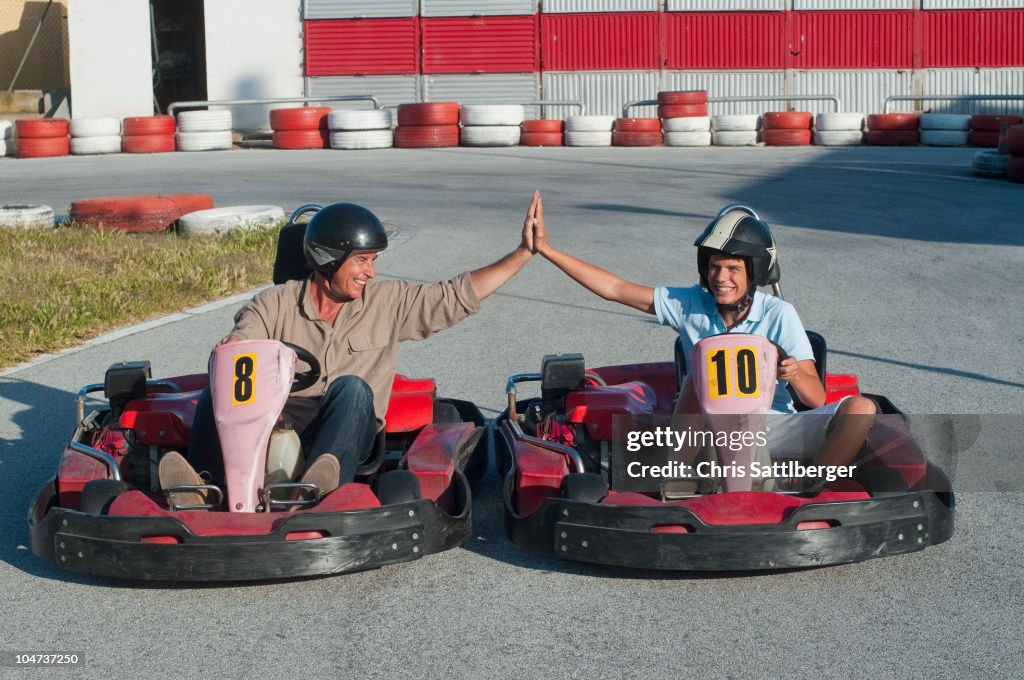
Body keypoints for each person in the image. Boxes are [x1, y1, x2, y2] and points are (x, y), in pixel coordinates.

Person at [160, 193, 543, 506]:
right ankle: (203, 488)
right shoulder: (273, 304)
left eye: (373, 261)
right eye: (362, 260)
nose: (371, 272)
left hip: (346, 434)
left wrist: (522, 253)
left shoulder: (388, 303)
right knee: (220, 384)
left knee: (352, 387)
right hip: (271, 431)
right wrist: (233, 347)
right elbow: (244, 339)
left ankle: (320, 487)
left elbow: (456, 296)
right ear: (328, 259)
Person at [527, 194, 876, 480]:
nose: (721, 277)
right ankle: (675, 480)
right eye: (714, 267)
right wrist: (547, 249)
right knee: (702, 372)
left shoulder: (778, 314)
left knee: (862, 408)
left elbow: (816, 399)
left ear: (753, 272)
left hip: (773, 428)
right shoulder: (690, 303)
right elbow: (615, 289)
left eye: (733, 269)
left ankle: (814, 489)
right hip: (702, 431)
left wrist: (794, 373)